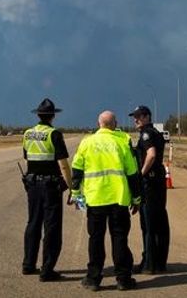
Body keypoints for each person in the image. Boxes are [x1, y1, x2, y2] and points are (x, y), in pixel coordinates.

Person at [70, 111, 142, 292]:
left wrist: (76, 194)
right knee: (119, 239)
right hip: (119, 199)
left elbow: (77, 171)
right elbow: (132, 173)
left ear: (99, 123)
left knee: (95, 239)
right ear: (114, 124)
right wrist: (137, 198)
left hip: (95, 200)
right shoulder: (121, 142)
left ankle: (93, 279)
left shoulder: (87, 142)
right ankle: (123, 280)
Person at [21, 97, 73, 282]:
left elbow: (27, 159)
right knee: (51, 227)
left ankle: (28, 264)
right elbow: (63, 165)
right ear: (52, 116)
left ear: (38, 115)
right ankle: (47, 269)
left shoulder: (27, 134)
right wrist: (71, 187)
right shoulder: (54, 134)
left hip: (33, 184)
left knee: (33, 223)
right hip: (50, 187)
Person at [129, 105, 170, 274]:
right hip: (158, 181)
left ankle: (149, 264)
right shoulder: (155, 132)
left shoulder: (146, 134)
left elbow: (151, 154)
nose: (135, 119)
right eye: (135, 117)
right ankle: (158, 262)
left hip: (150, 183)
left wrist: (141, 173)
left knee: (149, 224)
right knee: (159, 222)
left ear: (147, 117)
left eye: (139, 116)